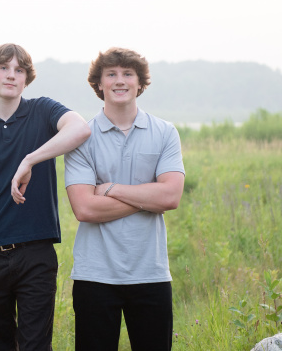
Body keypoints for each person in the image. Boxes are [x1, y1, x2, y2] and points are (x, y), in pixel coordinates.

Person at [0, 43, 91, 351]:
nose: (11, 75)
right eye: (3, 68)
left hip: (36, 253)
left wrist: (30, 159)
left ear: (27, 79)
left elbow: (80, 129)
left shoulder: (43, 112)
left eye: (19, 70)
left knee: (35, 346)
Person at [64, 47, 185, 351]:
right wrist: (148, 195)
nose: (120, 80)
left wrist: (111, 188)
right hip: (94, 275)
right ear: (99, 83)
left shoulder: (165, 132)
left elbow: (170, 196)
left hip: (150, 273)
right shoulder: (81, 137)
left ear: (140, 82)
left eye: (128, 74)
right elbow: (85, 208)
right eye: (112, 74)